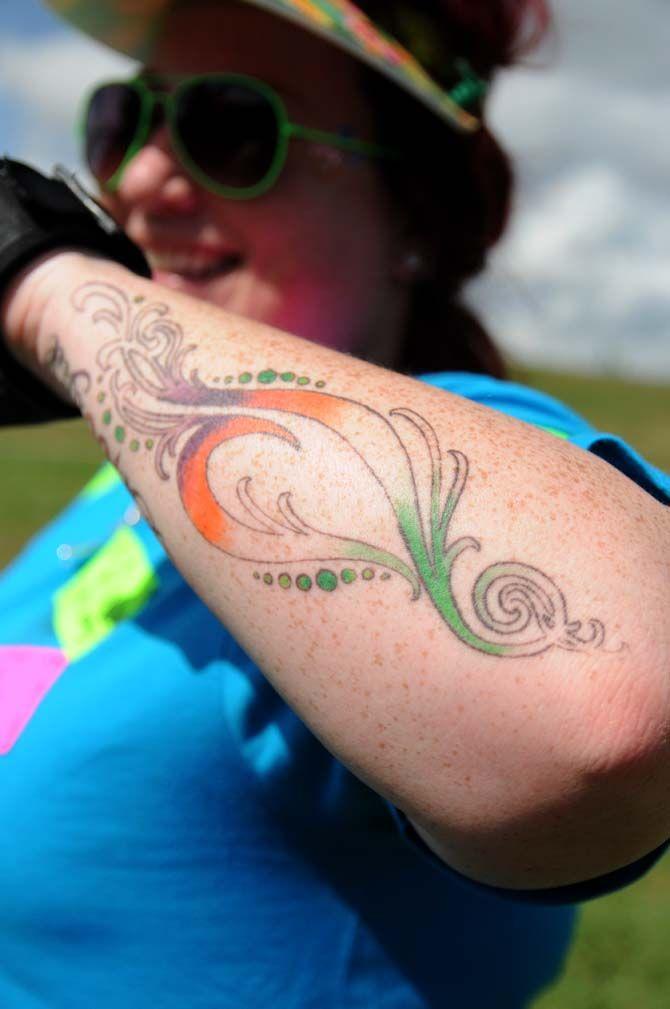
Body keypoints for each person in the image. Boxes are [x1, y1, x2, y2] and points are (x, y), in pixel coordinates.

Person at [0, 1, 668, 1006]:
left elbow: (604, 706)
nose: (137, 181)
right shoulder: (119, 497)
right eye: (122, 122)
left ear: (409, 212)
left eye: (230, 130)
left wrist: (44, 282)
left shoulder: (476, 436)